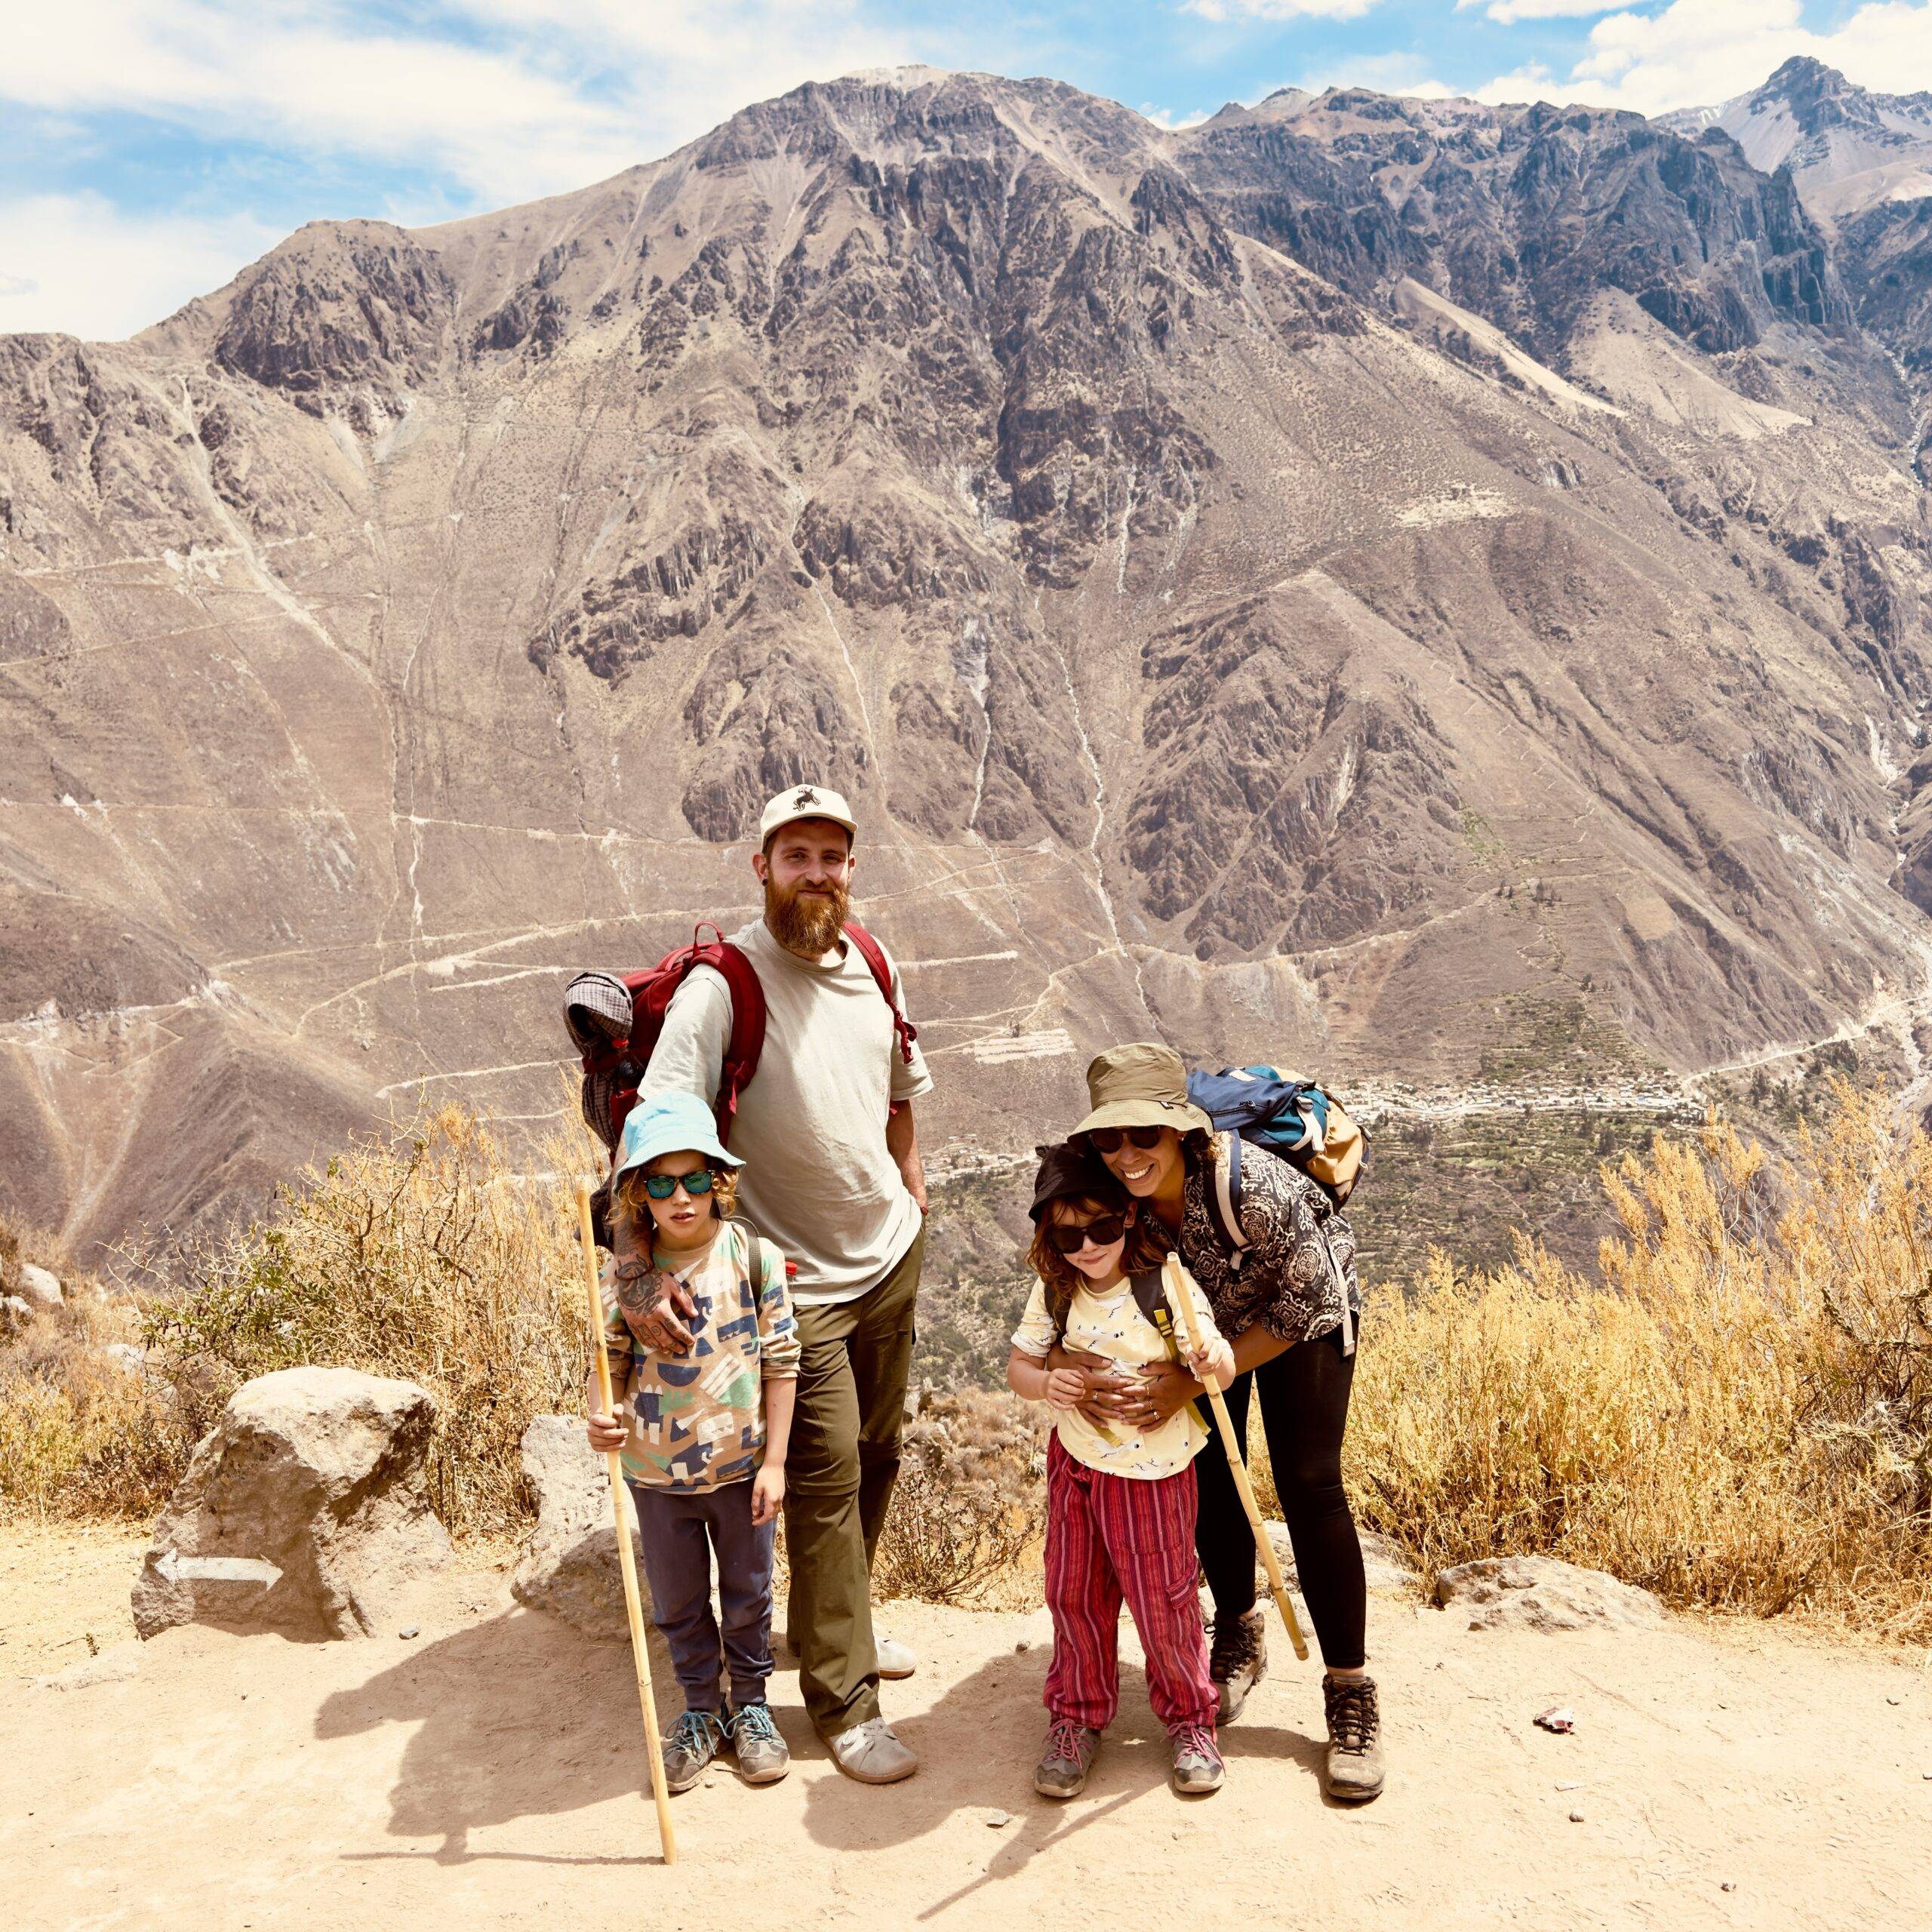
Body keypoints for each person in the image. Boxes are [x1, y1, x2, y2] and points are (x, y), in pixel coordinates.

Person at [612, 784, 933, 1783]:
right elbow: (651, 1131)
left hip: (888, 1253)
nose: (816, 874)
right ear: (761, 867)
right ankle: (846, 1705)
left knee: (877, 1454)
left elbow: (897, 1096)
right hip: (795, 1281)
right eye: (795, 856)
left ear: (852, 867)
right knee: (827, 1477)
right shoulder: (724, 986)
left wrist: (915, 1203)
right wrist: (634, 1269)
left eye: (832, 856)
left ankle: (840, 1620)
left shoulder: (873, 963)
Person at [1061, 1042, 1383, 1802]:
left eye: (1144, 1135)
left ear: (1180, 1130)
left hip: (1303, 1315)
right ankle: (1238, 1628)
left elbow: (1304, 1300)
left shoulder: (1254, 1187)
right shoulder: (1119, 1197)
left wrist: (1202, 1372)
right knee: (1209, 1469)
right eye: (1109, 1138)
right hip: (1210, 1322)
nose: (1127, 1154)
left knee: (1309, 1483)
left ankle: (1349, 1687)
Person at [1008, 1141, 1235, 1800]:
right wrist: (1045, 1382)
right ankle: (1076, 1716)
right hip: (1077, 1464)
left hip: (1155, 1474)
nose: (1088, 1246)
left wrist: (1206, 1356)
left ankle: (1192, 1719)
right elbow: (1021, 1365)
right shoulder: (1056, 1292)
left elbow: (1217, 1369)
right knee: (1074, 1593)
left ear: (1128, 1218)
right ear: (1052, 1235)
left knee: (1164, 1603)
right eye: (1070, 1233)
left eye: (1102, 1227)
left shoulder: (1166, 1285)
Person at [586, 1091, 799, 1792]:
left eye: (696, 1179)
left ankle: (754, 1708)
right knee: (678, 1600)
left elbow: (782, 1362)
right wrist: (602, 1416)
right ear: (638, 1195)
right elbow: (607, 1364)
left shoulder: (753, 1259)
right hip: (655, 1473)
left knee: (748, 1593)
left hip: (742, 1471)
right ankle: (701, 1710)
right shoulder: (622, 1285)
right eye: (662, 1183)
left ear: (719, 1181)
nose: (682, 1197)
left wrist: (774, 1463)